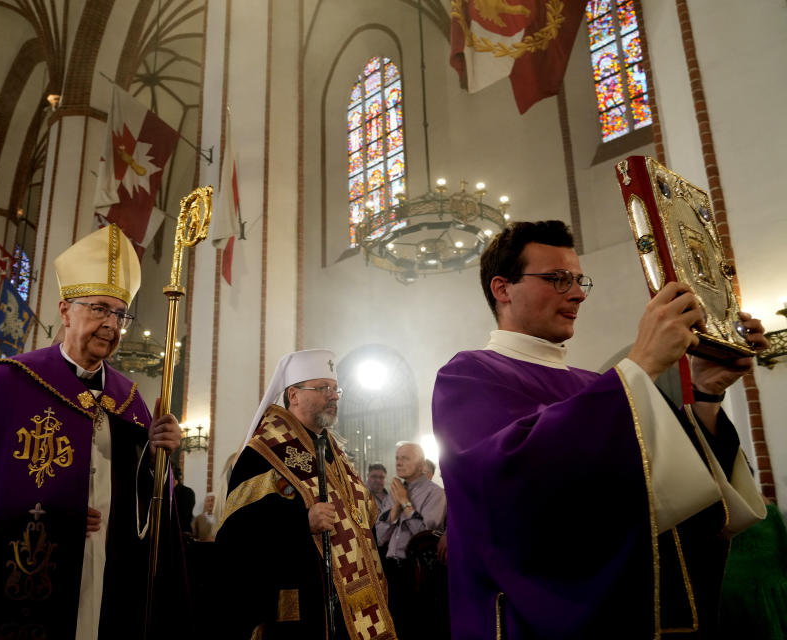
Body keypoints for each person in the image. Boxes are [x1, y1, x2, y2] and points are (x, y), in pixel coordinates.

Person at [432, 220, 768, 638]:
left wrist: (705, 394)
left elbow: (665, 495)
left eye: (577, 280)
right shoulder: (468, 374)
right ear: (503, 289)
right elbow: (509, 486)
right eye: (557, 279)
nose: (576, 293)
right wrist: (640, 365)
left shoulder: (595, 385)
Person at [0, 224, 186, 639]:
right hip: (25, 564)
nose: (111, 324)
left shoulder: (128, 397)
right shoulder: (11, 381)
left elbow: (150, 500)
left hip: (107, 566)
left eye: (120, 313)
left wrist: (163, 452)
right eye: (99, 309)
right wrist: (56, 512)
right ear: (65, 310)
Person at [217, 349, 396, 639]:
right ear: (294, 395)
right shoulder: (263, 452)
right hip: (296, 602)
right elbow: (234, 534)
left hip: (348, 604)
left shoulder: (333, 451)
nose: (334, 396)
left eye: (336, 389)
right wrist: (302, 522)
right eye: (323, 388)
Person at [375, 442, 447, 638]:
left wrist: (405, 502)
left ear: (422, 464)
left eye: (405, 458)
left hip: (418, 573)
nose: (398, 463)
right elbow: (380, 536)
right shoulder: (395, 492)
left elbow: (425, 539)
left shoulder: (436, 493)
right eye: (397, 458)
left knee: (417, 629)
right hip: (391, 570)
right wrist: (397, 507)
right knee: (394, 627)